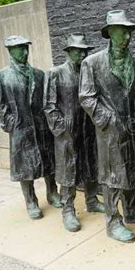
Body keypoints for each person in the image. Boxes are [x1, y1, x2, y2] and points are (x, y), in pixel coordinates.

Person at [79, 10, 135, 243]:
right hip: (110, 132)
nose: (126, 37)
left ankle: (132, 209)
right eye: (122, 32)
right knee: (113, 175)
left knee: (132, 169)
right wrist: (109, 120)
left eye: (128, 32)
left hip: (133, 128)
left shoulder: (130, 59)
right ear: (110, 33)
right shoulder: (91, 63)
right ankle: (113, 221)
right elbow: (86, 97)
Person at [0, 35, 62, 220]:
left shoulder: (39, 74)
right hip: (21, 129)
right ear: (10, 51)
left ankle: (52, 193)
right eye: (19, 48)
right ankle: (31, 201)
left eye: (25, 48)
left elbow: (47, 101)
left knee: (49, 162)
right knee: (25, 168)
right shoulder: (1, 77)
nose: (24, 52)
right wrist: (11, 124)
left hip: (41, 127)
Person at [44, 33, 106, 232]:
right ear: (69, 51)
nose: (82, 55)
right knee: (68, 171)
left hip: (87, 128)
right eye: (78, 51)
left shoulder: (88, 73)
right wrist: (61, 127)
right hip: (67, 132)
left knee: (90, 164)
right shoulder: (56, 73)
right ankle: (68, 209)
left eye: (84, 51)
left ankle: (91, 199)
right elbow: (49, 106)